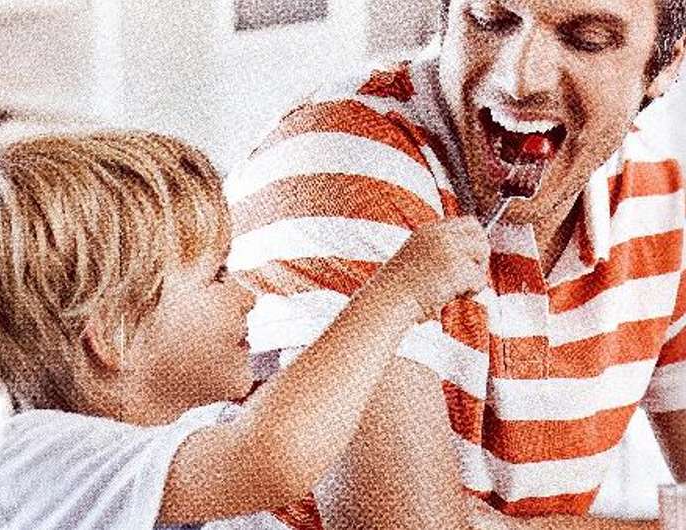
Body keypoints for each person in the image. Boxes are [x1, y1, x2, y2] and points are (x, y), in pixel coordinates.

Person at [226, 0, 686, 527]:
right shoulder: (341, 162)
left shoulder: (659, 199)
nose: (521, 79)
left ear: (667, 63)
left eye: (587, 39)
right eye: (490, 18)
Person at [0, 123, 488, 529]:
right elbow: (276, 455)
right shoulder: (27, 458)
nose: (247, 295)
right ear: (113, 335)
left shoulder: (192, 441)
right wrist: (398, 293)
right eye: (216, 275)